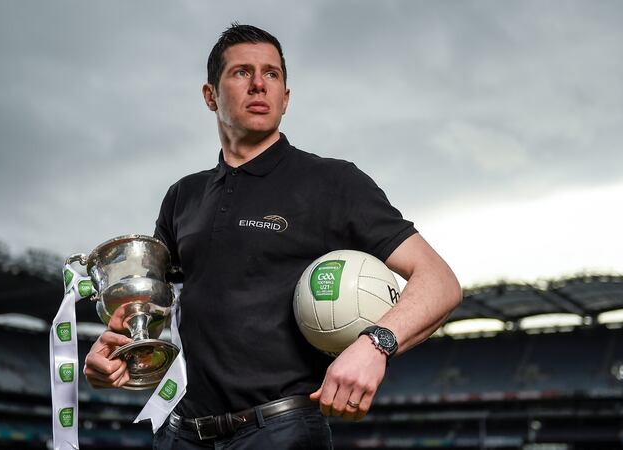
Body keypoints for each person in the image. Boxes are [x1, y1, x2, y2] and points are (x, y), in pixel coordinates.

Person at [84, 23, 462, 449]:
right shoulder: (182, 196)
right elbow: (153, 312)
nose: (259, 84)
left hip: (281, 431)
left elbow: (439, 281)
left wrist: (375, 344)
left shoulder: (332, 182)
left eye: (273, 74)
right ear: (210, 95)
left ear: (286, 97)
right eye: (242, 72)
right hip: (179, 435)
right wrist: (116, 355)